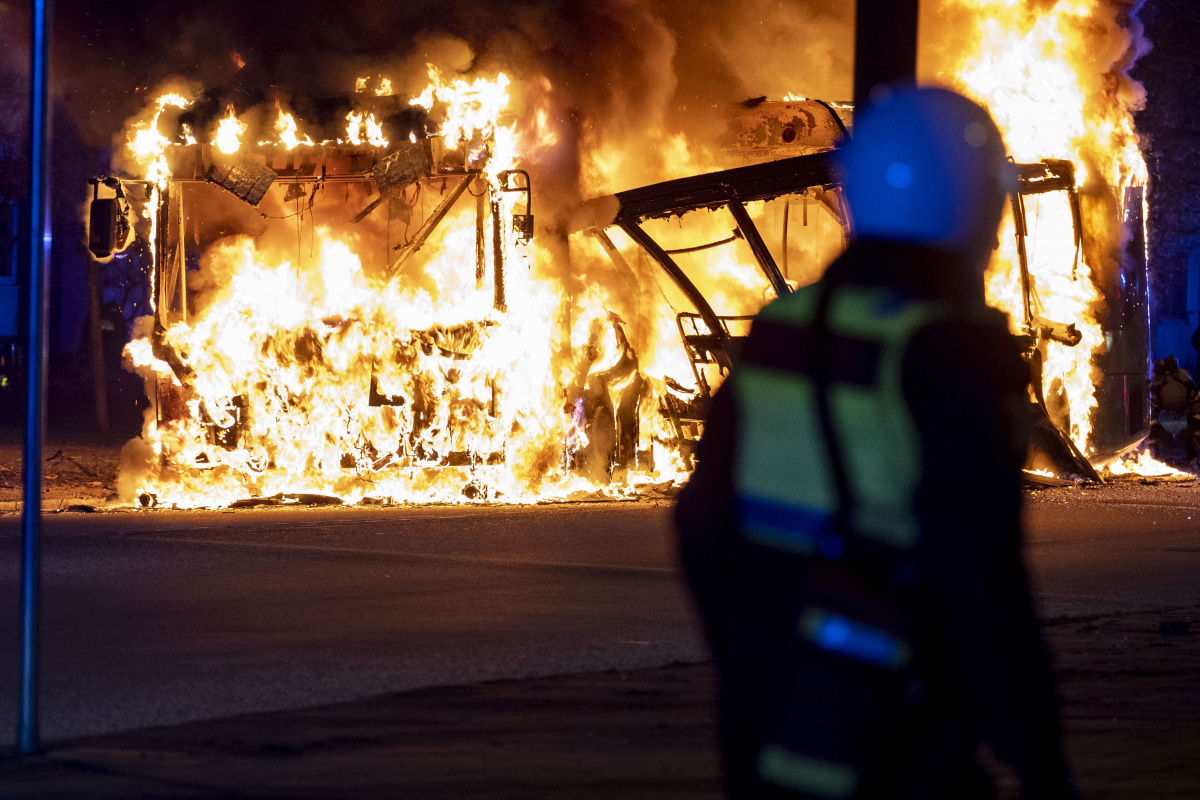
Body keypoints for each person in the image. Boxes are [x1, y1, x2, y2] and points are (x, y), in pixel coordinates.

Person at [675, 86, 1075, 799]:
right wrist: (1036, 755)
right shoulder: (951, 353)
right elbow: (978, 578)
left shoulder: (783, 328)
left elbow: (701, 525)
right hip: (896, 736)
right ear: (971, 206)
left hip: (768, 726)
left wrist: (753, 654)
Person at [1149, 354, 1200, 460]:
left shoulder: (1186, 381)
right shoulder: (1158, 385)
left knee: (1197, 435)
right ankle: (1153, 457)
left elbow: (1197, 407)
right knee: (1149, 434)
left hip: (1186, 416)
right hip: (1165, 417)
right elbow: (1151, 411)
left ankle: (1194, 459)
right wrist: (1158, 428)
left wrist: (1192, 426)